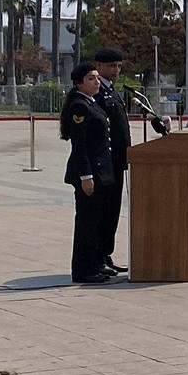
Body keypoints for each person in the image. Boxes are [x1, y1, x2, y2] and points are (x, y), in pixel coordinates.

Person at [61, 63, 116, 284]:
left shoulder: (91, 103)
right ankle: (83, 270)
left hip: (100, 172)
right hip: (89, 173)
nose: (96, 82)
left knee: (96, 223)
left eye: (97, 78)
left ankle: (94, 265)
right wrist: (86, 176)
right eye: (91, 79)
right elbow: (79, 145)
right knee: (86, 224)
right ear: (79, 83)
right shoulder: (79, 107)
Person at [93, 48, 131, 274]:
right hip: (105, 162)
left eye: (118, 66)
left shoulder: (112, 90)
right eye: (111, 66)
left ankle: (106, 253)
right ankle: (97, 257)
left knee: (113, 210)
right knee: (103, 210)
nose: (116, 70)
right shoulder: (96, 91)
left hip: (118, 160)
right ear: (98, 66)